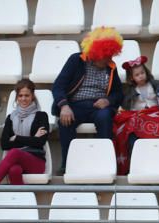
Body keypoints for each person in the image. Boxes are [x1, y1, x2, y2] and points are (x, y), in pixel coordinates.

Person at [52, 26, 124, 174]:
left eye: (111, 55)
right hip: (75, 105)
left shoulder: (110, 67)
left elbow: (119, 93)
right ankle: (68, 163)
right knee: (65, 121)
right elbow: (58, 86)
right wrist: (64, 106)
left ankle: (104, 163)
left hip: (99, 107)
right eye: (106, 55)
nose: (109, 59)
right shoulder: (76, 60)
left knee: (105, 117)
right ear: (97, 53)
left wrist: (108, 101)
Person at [112, 55, 159, 175]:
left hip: (155, 116)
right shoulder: (130, 91)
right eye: (137, 75)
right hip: (139, 118)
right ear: (131, 78)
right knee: (130, 129)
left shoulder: (157, 86)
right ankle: (135, 163)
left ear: (146, 72)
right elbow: (127, 108)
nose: (140, 76)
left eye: (142, 72)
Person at [0, 78, 50, 187]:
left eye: (27, 95)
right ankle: (21, 200)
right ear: (17, 97)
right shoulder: (10, 118)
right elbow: (4, 144)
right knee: (13, 170)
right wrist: (32, 138)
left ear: (32, 96)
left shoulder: (42, 116)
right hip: (16, 162)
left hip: (36, 161)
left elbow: (40, 142)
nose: (23, 99)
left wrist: (16, 138)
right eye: (20, 96)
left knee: (15, 152)